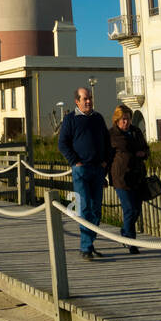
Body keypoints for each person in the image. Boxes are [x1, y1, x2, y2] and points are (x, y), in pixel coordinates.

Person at [57, 87, 111, 259]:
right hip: (81, 170)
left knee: (96, 209)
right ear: (77, 101)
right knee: (84, 207)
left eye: (90, 98)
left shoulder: (98, 118)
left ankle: (90, 243)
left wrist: (104, 163)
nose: (88, 101)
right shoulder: (70, 119)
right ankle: (86, 247)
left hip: (97, 170)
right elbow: (63, 143)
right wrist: (76, 162)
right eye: (85, 98)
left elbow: (107, 143)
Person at [109, 105, 149, 254]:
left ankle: (125, 231)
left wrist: (143, 154)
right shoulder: (112, 134)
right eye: (123, 119)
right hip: (121, 177)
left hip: (137, 176)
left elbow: (146, 149)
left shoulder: (136, 131)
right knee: (129, 209)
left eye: (128, 119)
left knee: (137, 210)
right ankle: (131, 242)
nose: (126, 122)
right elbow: (108, 156)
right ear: (117, 120)